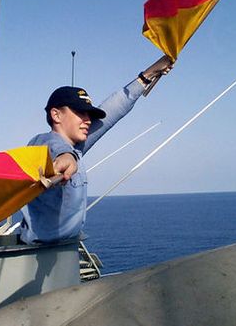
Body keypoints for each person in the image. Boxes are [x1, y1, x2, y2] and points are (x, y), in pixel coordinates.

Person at [20, 55, 173, 244]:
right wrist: (65, 157)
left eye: (89, 114)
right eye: (80, 112)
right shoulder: (42, 143)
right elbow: (54, 148)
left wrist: (148, 74)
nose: (87, 120)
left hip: (63, 250)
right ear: (56, 115)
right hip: (37, 254)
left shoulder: (76, 147)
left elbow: (112, 111)